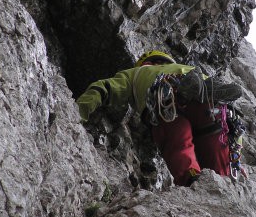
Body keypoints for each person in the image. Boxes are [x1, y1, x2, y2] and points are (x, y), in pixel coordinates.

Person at [76, 50, 243, 186]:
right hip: (206, 99)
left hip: (163, 94)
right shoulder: (185, 68)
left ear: (148, 63)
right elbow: (233, 131)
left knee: (177, 133)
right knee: (215, 134)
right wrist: (237, 154)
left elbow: (104, 88)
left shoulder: (137, 72)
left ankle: (192, 179)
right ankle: (225, 181)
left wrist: (78, 113)